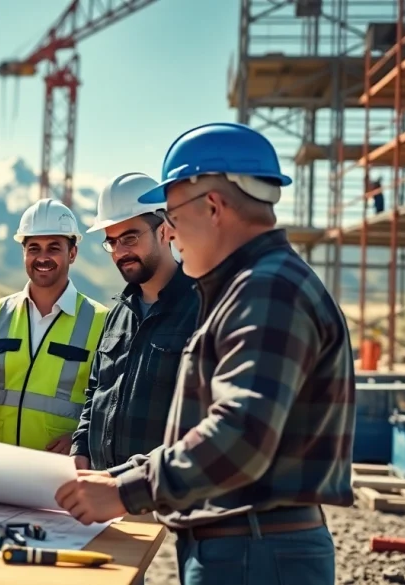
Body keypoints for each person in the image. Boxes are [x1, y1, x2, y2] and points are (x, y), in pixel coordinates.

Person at [54, 122, 355, 585]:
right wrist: (117, 475)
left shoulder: (266, 291)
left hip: (255, 552)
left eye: (171, 214)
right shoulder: (252, 288)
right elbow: (203, 427)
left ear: (212, 206)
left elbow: (241, 434)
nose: (171, 231)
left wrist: (124, 488)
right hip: (245, 547)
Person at [69, 172, 199, 472]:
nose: (120, 252)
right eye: (112, 242)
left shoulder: (201, 309)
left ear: (165, 230)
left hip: (163, 497)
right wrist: (81, 447)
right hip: (103, 490)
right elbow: (97, 389)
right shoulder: (118, 313)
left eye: (130, 237)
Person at [0, 199, 109, 453]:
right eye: (34, 248)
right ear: (23, 252)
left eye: (54, 248)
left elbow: (109, 401)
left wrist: (80, 438)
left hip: (56, 469)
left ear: (72, 253)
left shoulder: (100, 320)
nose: (43, 257)